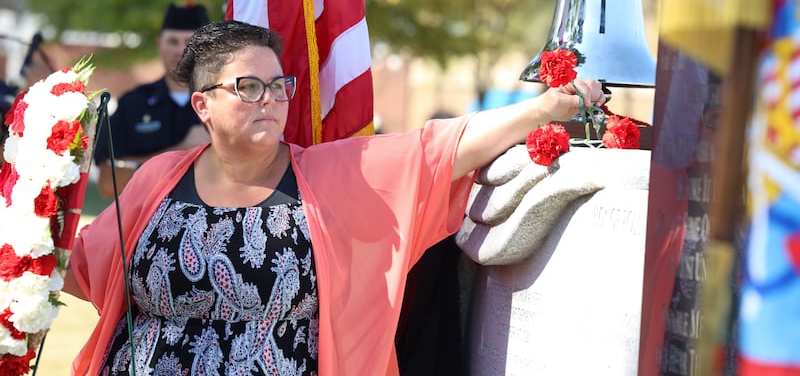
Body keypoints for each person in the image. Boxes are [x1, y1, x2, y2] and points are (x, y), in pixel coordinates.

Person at [64, 20, 606, 375]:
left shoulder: (331, 176)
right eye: (248, 87)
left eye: (278, 86)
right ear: (203, 105)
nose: (270, 100)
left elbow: (441, 148)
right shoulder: (158, 179)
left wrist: (542, 110)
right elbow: (85, 266)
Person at [92, 2, 212, 199]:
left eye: (190, 42)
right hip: (144, 224)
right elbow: (108, 185)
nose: (181, 50)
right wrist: (180, 151)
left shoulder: (223, 103)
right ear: (159, 44)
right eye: (173, 41)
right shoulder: (132, 105)